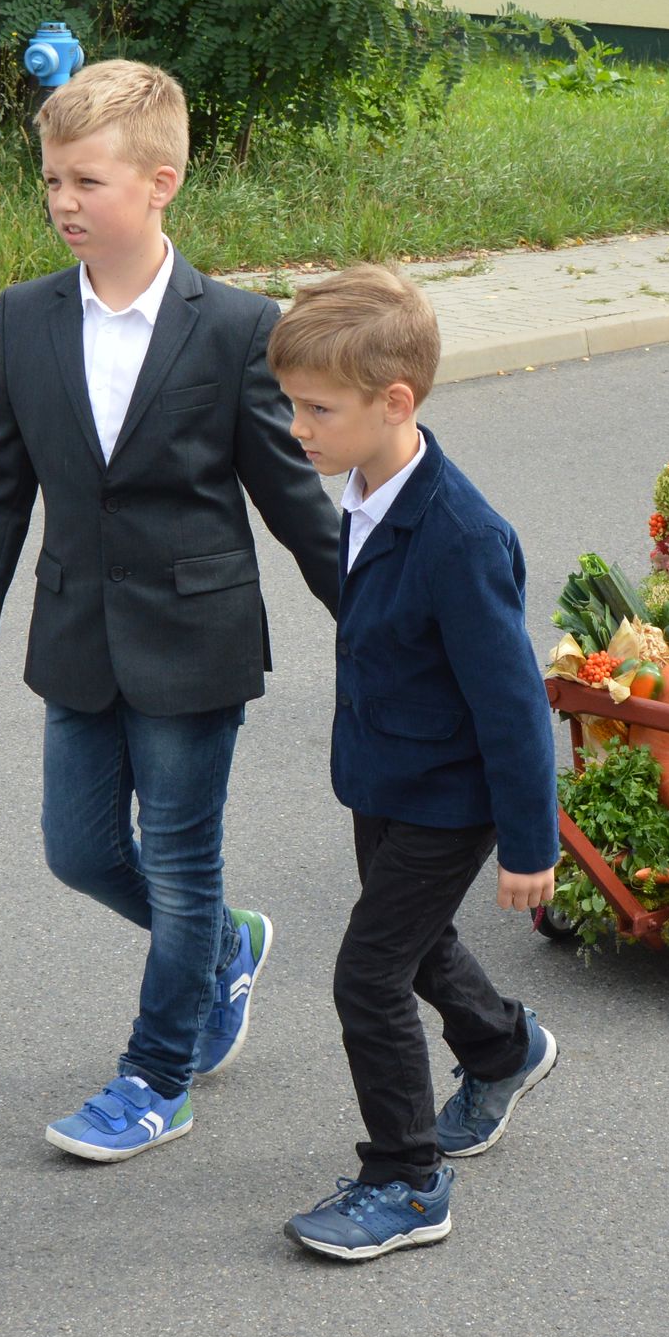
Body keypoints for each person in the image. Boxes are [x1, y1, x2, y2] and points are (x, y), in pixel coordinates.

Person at [0, 58, 346, 1162]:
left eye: (87, 181)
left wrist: (376, 616)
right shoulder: (25, 318)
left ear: (161, 183)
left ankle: (157, 1078)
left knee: (179, 861)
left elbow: (293, 500)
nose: (63, 202)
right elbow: (0, 490)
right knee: (77, 851)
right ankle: (223, 947)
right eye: (51, 180)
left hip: (197, 641)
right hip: (76, 635)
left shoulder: (237, 326)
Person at [263, 266, 560, 1262]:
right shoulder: (363, 488)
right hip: (384, 775)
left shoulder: (461, 537)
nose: (297, 428)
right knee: (418, 945)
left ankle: (406, 1181)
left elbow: (514, 705)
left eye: (318, 409)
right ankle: (504, 1047)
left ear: (395, 402)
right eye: (292, 404)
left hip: (448, 796)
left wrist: (529, 843)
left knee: (368, 975)